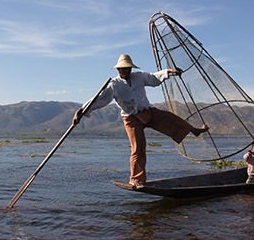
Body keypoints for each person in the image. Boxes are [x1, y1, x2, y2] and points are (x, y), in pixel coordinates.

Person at [73, 54, 208, 188]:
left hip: (147, 111)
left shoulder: (139, 76)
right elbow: (99, 99)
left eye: (128, 68)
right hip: (131, 117)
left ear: (131, 69)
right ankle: (136, 179)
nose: (126, 71)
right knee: (138, 148)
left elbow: (154, 78)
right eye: (123, 68)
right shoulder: (114, 85)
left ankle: (193, 130)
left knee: (170, 118)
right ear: (118, 69)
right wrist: (82, 110)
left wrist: (169, 71)